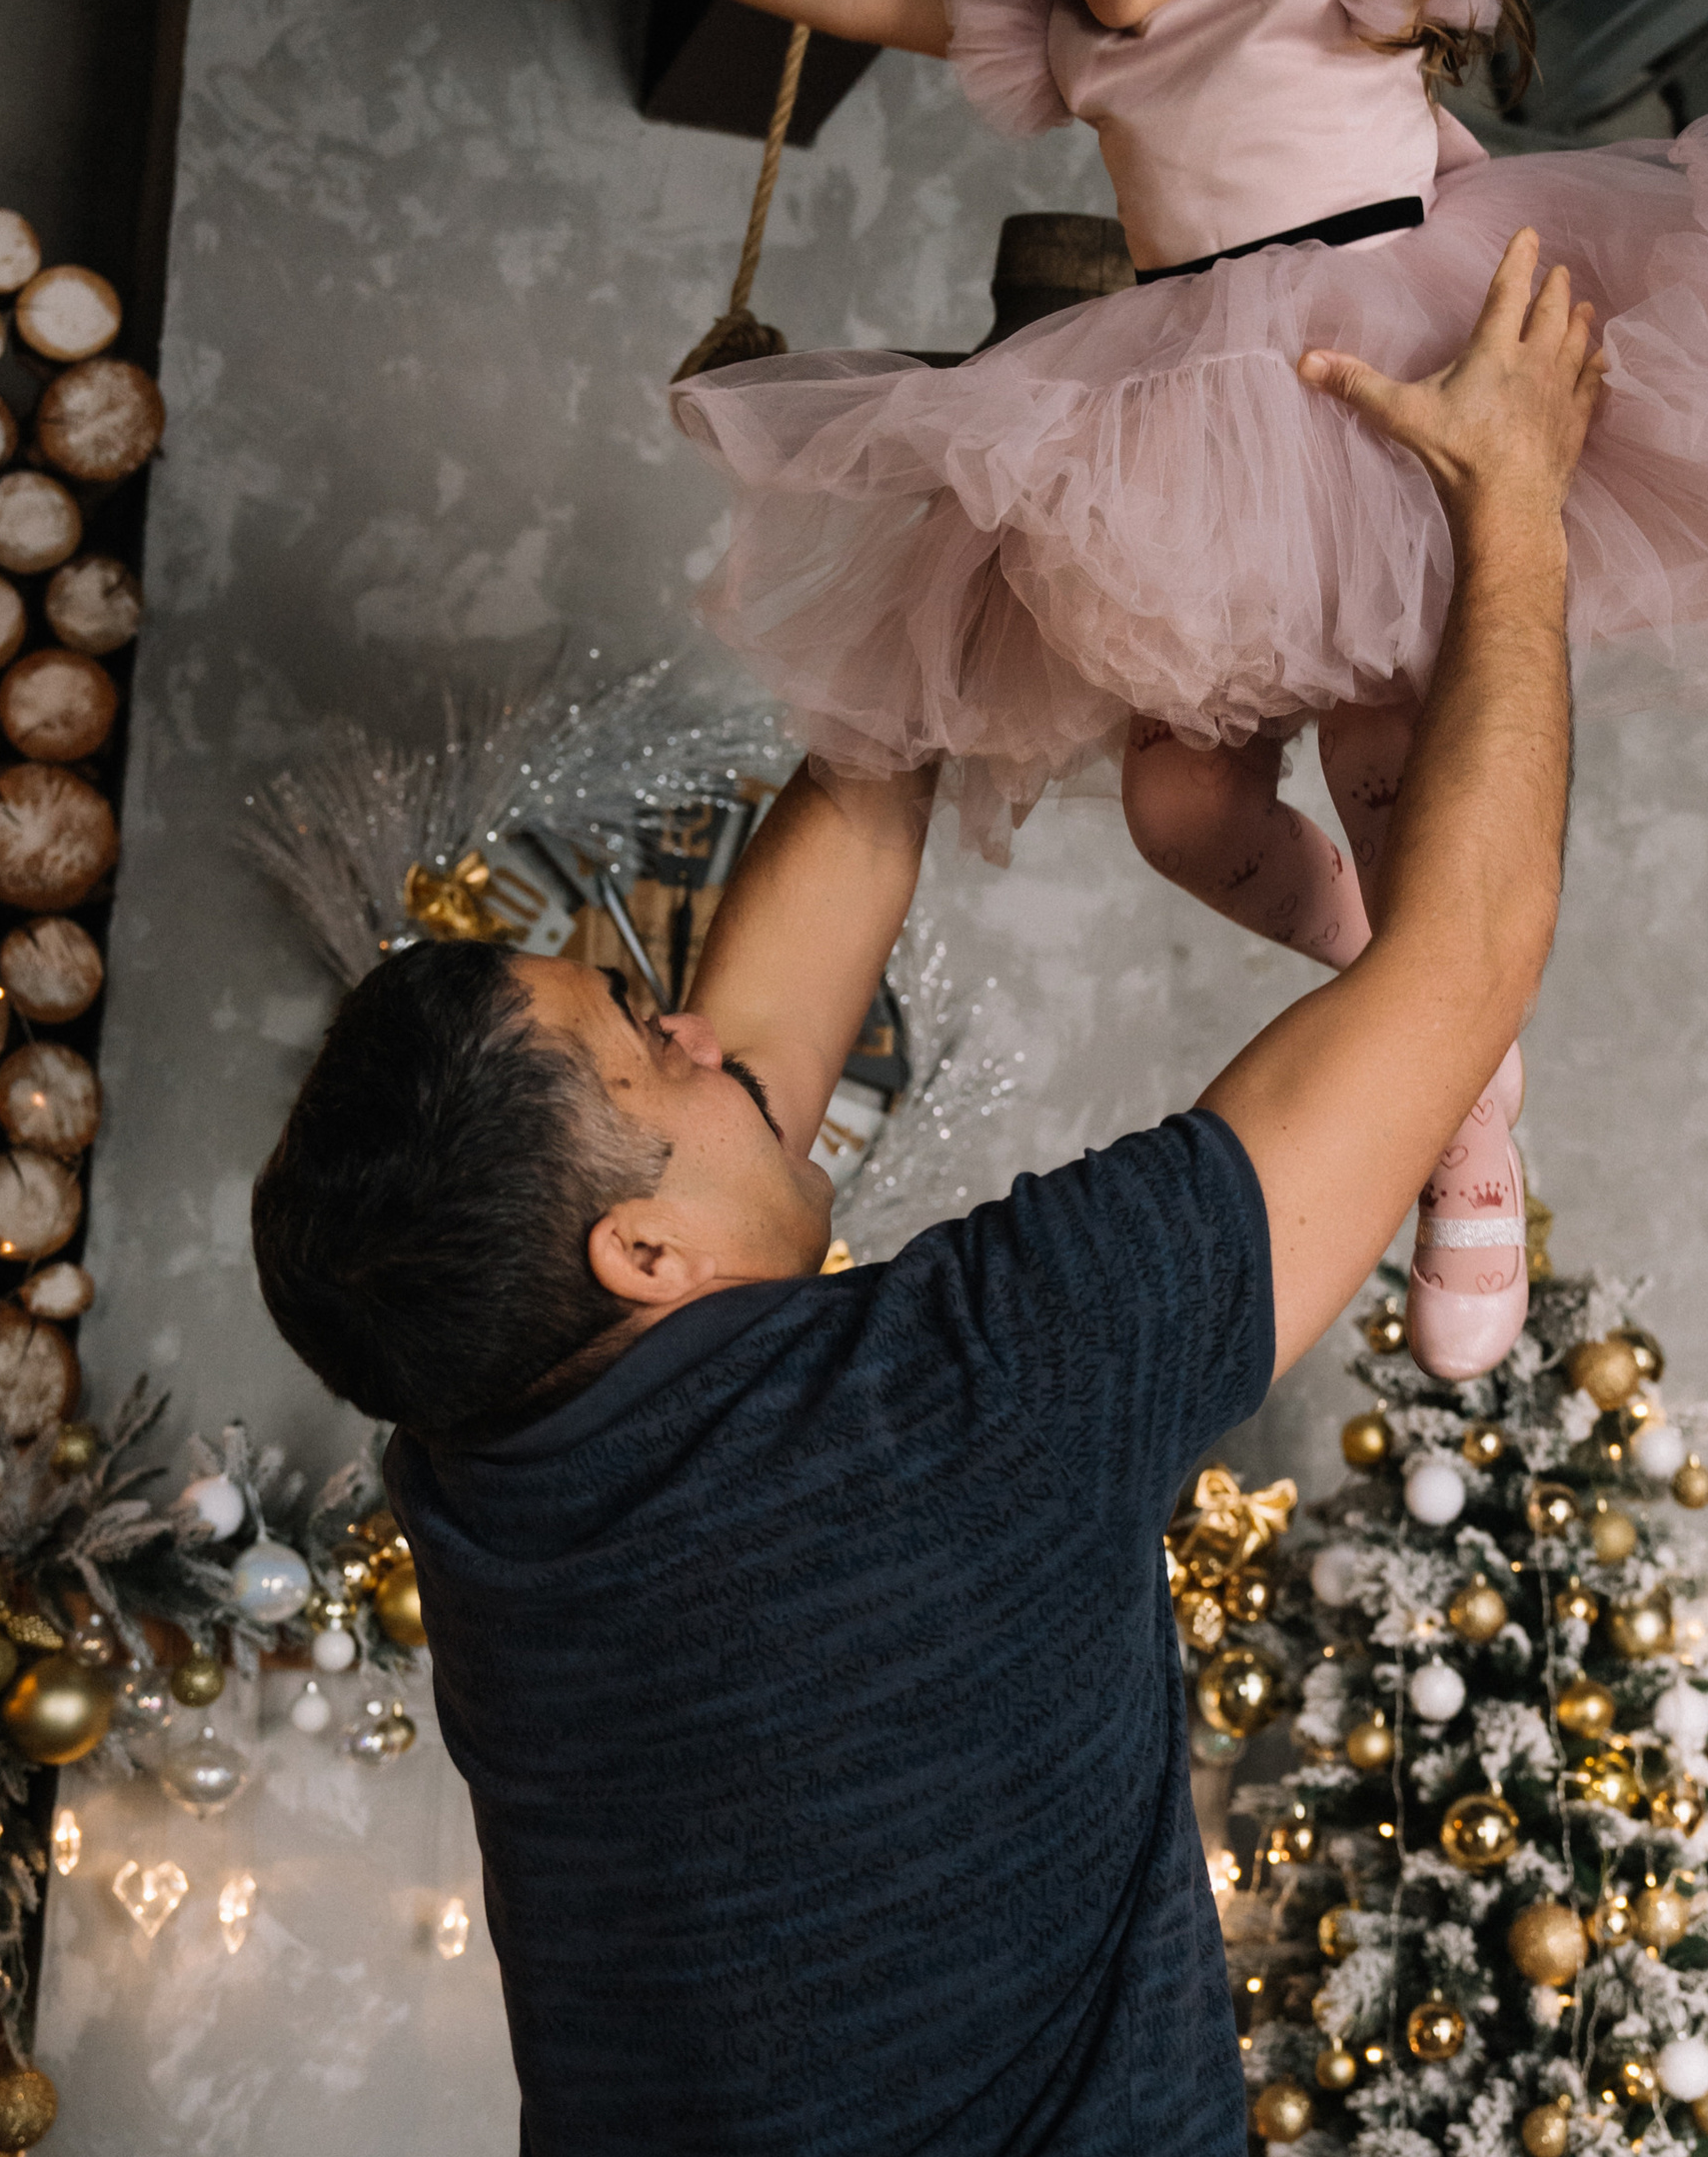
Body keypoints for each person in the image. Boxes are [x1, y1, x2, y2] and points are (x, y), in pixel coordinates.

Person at [468, 0, 1708, 1376]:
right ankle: (1425, 1008)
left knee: (1382, 771)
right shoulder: (1079, 43)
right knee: (1176, 811)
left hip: (1387, 391)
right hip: (1189, 434)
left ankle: (1462, 1117)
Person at [251, 234, 1598, 2157]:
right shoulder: (970, 1401)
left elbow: (836, 860)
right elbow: (1462, 958)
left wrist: (1010, 457)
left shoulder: (493, 1469)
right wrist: (1514, 498)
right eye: (651, 1044)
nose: (703, 1032)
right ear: (639, 1253)